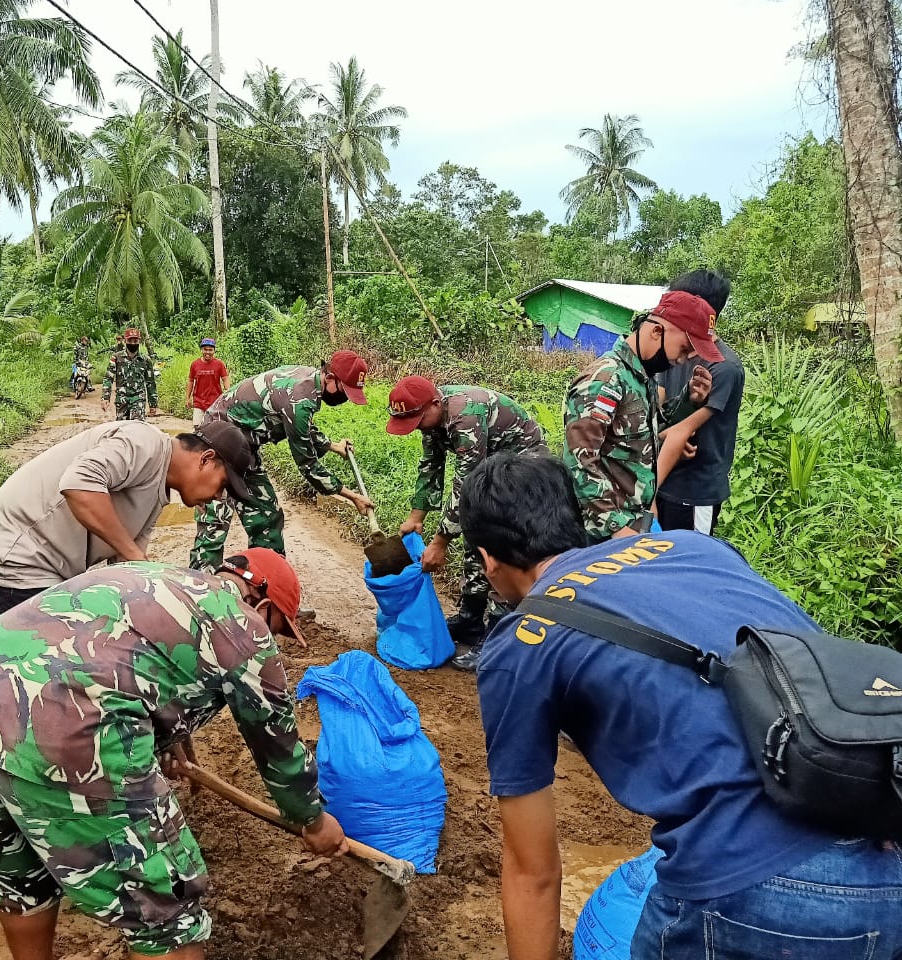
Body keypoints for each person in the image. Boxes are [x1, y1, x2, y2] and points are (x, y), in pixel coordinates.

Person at [458, 452, 901, 960]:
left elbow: (532, 871)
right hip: (886, 836)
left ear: (488, 559)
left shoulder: (525, 641)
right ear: (572, 518)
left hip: (755, 889)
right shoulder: (692, 546)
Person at [0, 549, 349, 960]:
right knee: (166, 911)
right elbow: (278, 746)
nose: (272, 639)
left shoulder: (154, 578)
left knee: (20, 877)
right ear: (261, 603)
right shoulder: (243, 624)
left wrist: (153, 746)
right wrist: (312, 819)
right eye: (277, 627)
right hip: (61, 725)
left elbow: (114, 662)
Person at [0, 420, 254, 621]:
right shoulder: (145, 442)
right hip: (12, 562)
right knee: (54, 675)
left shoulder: (157, 492)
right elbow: (78, 483)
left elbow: (129, 569)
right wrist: (133, 554)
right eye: (223, 485)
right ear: (205, 459)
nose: (219, 497)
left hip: (41, 570)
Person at [385, 376, 547, 669]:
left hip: (523, 468)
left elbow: (465, 487)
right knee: (475, 534)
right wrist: (416, 515)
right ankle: (470, 620)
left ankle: (497, 637)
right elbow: (430, 468)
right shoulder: (431, 418)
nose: (417, 428)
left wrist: (439, 542)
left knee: (500, 542)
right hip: (491, 468)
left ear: (434, 404)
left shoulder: (466, 416)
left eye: (417, 420)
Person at [189, 351, 377, 571]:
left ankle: (268, 588)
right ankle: (200, 591)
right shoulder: (300, 398)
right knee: (215, 520)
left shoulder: (309, 380)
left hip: (243, 448)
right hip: (216, 445)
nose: (345, 399)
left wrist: (332, 446)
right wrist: (353, 496)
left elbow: (300, 428)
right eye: (345, 391)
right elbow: (308, 465)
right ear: (330, 377)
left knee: (267, 516)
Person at [562, 290, 718, 543]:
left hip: (635, 521)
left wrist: (689, 401)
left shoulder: (640, 377)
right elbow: (579, 462)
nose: (681, 360)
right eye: (683, 349)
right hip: (601, 533)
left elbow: (644, 432)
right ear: (657, 332)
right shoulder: (606, 379)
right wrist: (615, 526)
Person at [655, 270, 744, 535]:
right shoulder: (670, 351)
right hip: (659, 479)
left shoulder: (724, 367)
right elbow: (657, 405)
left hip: (693, 490)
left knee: (688, 566)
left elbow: (681, 432)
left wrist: (648, 492)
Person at [103, 328, 159, 421]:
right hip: (122, 400)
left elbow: (150, 383)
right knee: (122, 428)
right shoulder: (116, 358)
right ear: (125, 341)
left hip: (138, 399)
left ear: (139, 341)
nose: (133, 343)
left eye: (135, 341)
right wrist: (105, 398)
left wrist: (153, 404)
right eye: (130, 340)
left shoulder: (145, 360)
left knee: (136, 427)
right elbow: (108, 378)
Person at [185, 338, 229, 427]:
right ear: (201, 350)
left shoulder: (219, 364)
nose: (208, 352)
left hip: (215, 402)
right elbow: (190, 381)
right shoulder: (195, 364)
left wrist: (227, 392)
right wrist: (187, 398)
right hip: (199, 401)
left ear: (214, 351)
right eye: (205, 349)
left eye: (210, 350)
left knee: (214, 427)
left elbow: (225, 378)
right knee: (197, 427)